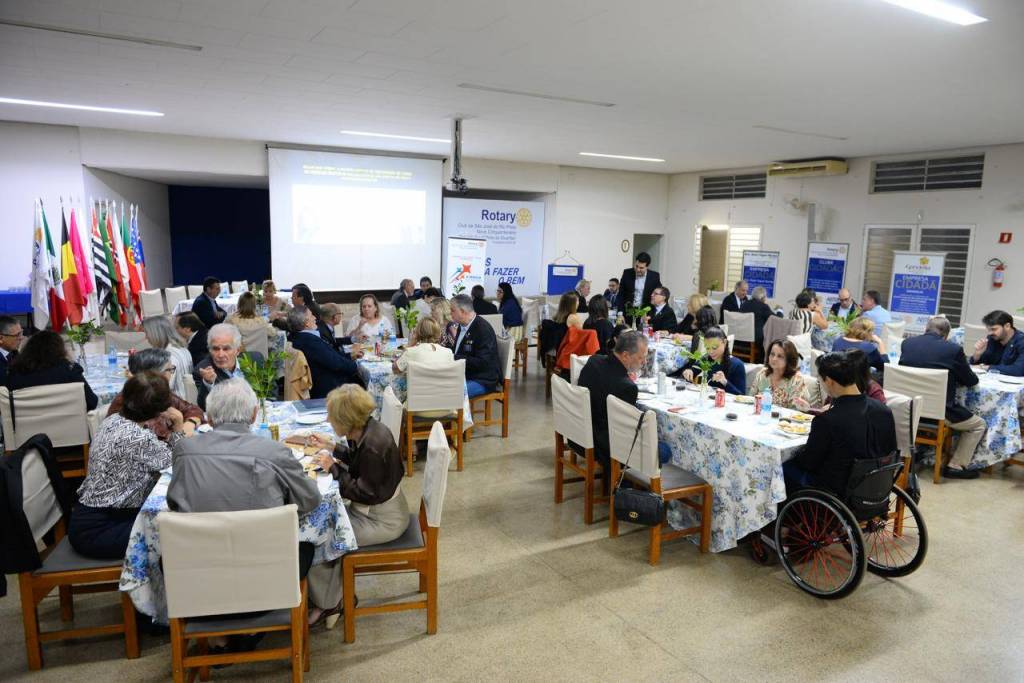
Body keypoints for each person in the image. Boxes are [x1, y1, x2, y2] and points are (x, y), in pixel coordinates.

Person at [166, 379, 323, 617]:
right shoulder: (275, 452)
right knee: (309, 546)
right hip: (267, 577)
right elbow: (310, 500)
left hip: (201, 579)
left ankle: (218, 629)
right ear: (254, 414)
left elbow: (175, 504)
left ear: (209, 417)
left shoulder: (185, 450)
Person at [306, 384, 410, 624]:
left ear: (346, 421)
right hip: (376, 508)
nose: (328, 421)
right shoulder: (369, 430)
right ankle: (330, 594)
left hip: (382, 520)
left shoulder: (373, 446)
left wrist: (333, 468)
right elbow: (357, 462)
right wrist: (332, 447)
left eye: (332, 417)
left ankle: (329, 604)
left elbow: (362, 493)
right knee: (322, 521)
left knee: (320, 536)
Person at [69, 372, 182, 559]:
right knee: (177, 533)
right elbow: (180, 463)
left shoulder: (113, 420)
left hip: (89, 518)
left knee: (169, 523)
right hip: (100, 530)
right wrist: (177, 427)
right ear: (159, 410)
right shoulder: (137, 437)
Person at [782, 352, 897, 496]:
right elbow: (891, 450)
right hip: (876, 488)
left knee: (782, 468)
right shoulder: (884, 411)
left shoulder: (827, 420)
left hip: (837, 492)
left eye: (820, 380)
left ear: (829, 381)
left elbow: (808, 463)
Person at [899, 316, 984, 479]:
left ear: (926, 329)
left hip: (909, 408)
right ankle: (956, 466)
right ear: (946, 335)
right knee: (978, 425)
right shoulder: (953, 350)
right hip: (940, 413)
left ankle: (919, 449)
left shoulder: (907, 343)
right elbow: (971, 381)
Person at [577, 330, 648, 470]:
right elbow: (626, 429)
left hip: (578, 433)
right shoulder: (626, 387)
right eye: (641, 358)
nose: (644, 362)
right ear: (625, 355)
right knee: (663, 448)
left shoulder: (594, 360)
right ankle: (626, 480)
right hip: (605, 446)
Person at [106, 348, 204, 441]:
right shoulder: (130, 402)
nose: (171, 374)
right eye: (169, 370)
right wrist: (179, 427)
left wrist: (190, 423)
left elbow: (191, 409)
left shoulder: (158, 392)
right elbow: (157, 445)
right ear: (155, 375)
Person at [4, 330, 98, 410]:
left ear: (28, 350)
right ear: (59, 349)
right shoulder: (70, 370)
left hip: (27, 425)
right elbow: (92, 403)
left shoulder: (14, 373)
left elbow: (9, 408)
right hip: (67, 424)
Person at [289, 306, 362, 399]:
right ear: (306, 323)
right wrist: (356, 366)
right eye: (311, 315)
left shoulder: (296, 337)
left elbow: (331, 356)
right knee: (361, 381)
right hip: (327, 387)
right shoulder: (310, 342)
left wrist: (350, 356)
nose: (315, 318)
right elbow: (336, 363)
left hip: (322, 379)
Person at [194, 323, 263, 410]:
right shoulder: (204, 369)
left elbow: (270, 394)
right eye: (215, 349)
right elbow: (204, 407)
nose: (220, 355)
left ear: (237, 350)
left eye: (226, 349)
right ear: (210, 350)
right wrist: (208, 383)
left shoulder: (255, 360)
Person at [449, 294, 501, 398]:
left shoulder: (483, 330)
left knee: (451, 392)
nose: (450, 313)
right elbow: (458, 351)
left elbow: (483, 362)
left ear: (463, 311)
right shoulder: (462, 325)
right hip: (465, 374)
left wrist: (455, 357)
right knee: (437, 385)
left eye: (452, 310)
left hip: (482, 379)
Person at [679, 327, 746, 395]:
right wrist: (688, 372)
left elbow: (741, 395)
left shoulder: (737, 365)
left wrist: (725, 382)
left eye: (714, 348)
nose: (711, 352)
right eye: (707, 348)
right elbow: (692, 371)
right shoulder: (706, 359)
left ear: (725, 342)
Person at [748, 340, 811, 409]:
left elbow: (795, 410)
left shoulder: (797, 380)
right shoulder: (762, 374)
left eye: (780, 356)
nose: (774, 359)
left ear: (789, 360)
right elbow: (750, 400)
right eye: (772, 354)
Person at [142, 316, 193, 397]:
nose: (146, 337)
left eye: (147, 333)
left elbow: (163, 387)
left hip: (175, 399)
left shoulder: (168, 356)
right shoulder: (181, 348)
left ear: (156, 334)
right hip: (185, 396)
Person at [971, 310, 1024, 376]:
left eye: (994, 329)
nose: (990, 333)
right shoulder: (992, 338)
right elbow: (979, 364)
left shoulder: (1021, 341)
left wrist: (986, 367)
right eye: (988, 329)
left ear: (1007, 326)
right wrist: (977, 355)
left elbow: (1018, 370)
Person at [618, 252, 662, 320]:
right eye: (636, 266)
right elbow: (621, 294)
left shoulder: (654, 276)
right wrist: (620, 313)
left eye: (641, 268)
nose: (638, 270)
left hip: (645, 315)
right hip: (627, 313)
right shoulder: (627, 273)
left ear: (647, 267)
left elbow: (660, 294)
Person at [555, 313, 601, 378]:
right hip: (582, 365)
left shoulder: (570, 332)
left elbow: (561, 347)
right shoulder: (589, 333)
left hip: (566, 365)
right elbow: (592, 351)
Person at [539, 292, 578, 365]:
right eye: (577, 301)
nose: (578, 303)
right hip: (564, 348)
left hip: (554, 346)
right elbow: (582, 331)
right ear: (572, 304)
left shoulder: (557, 316)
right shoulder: (573, 317)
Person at [0, 315, 23, 385]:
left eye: (21, 333)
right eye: (17, 335)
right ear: (1, 338)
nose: (21, 338)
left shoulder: (16, 354)